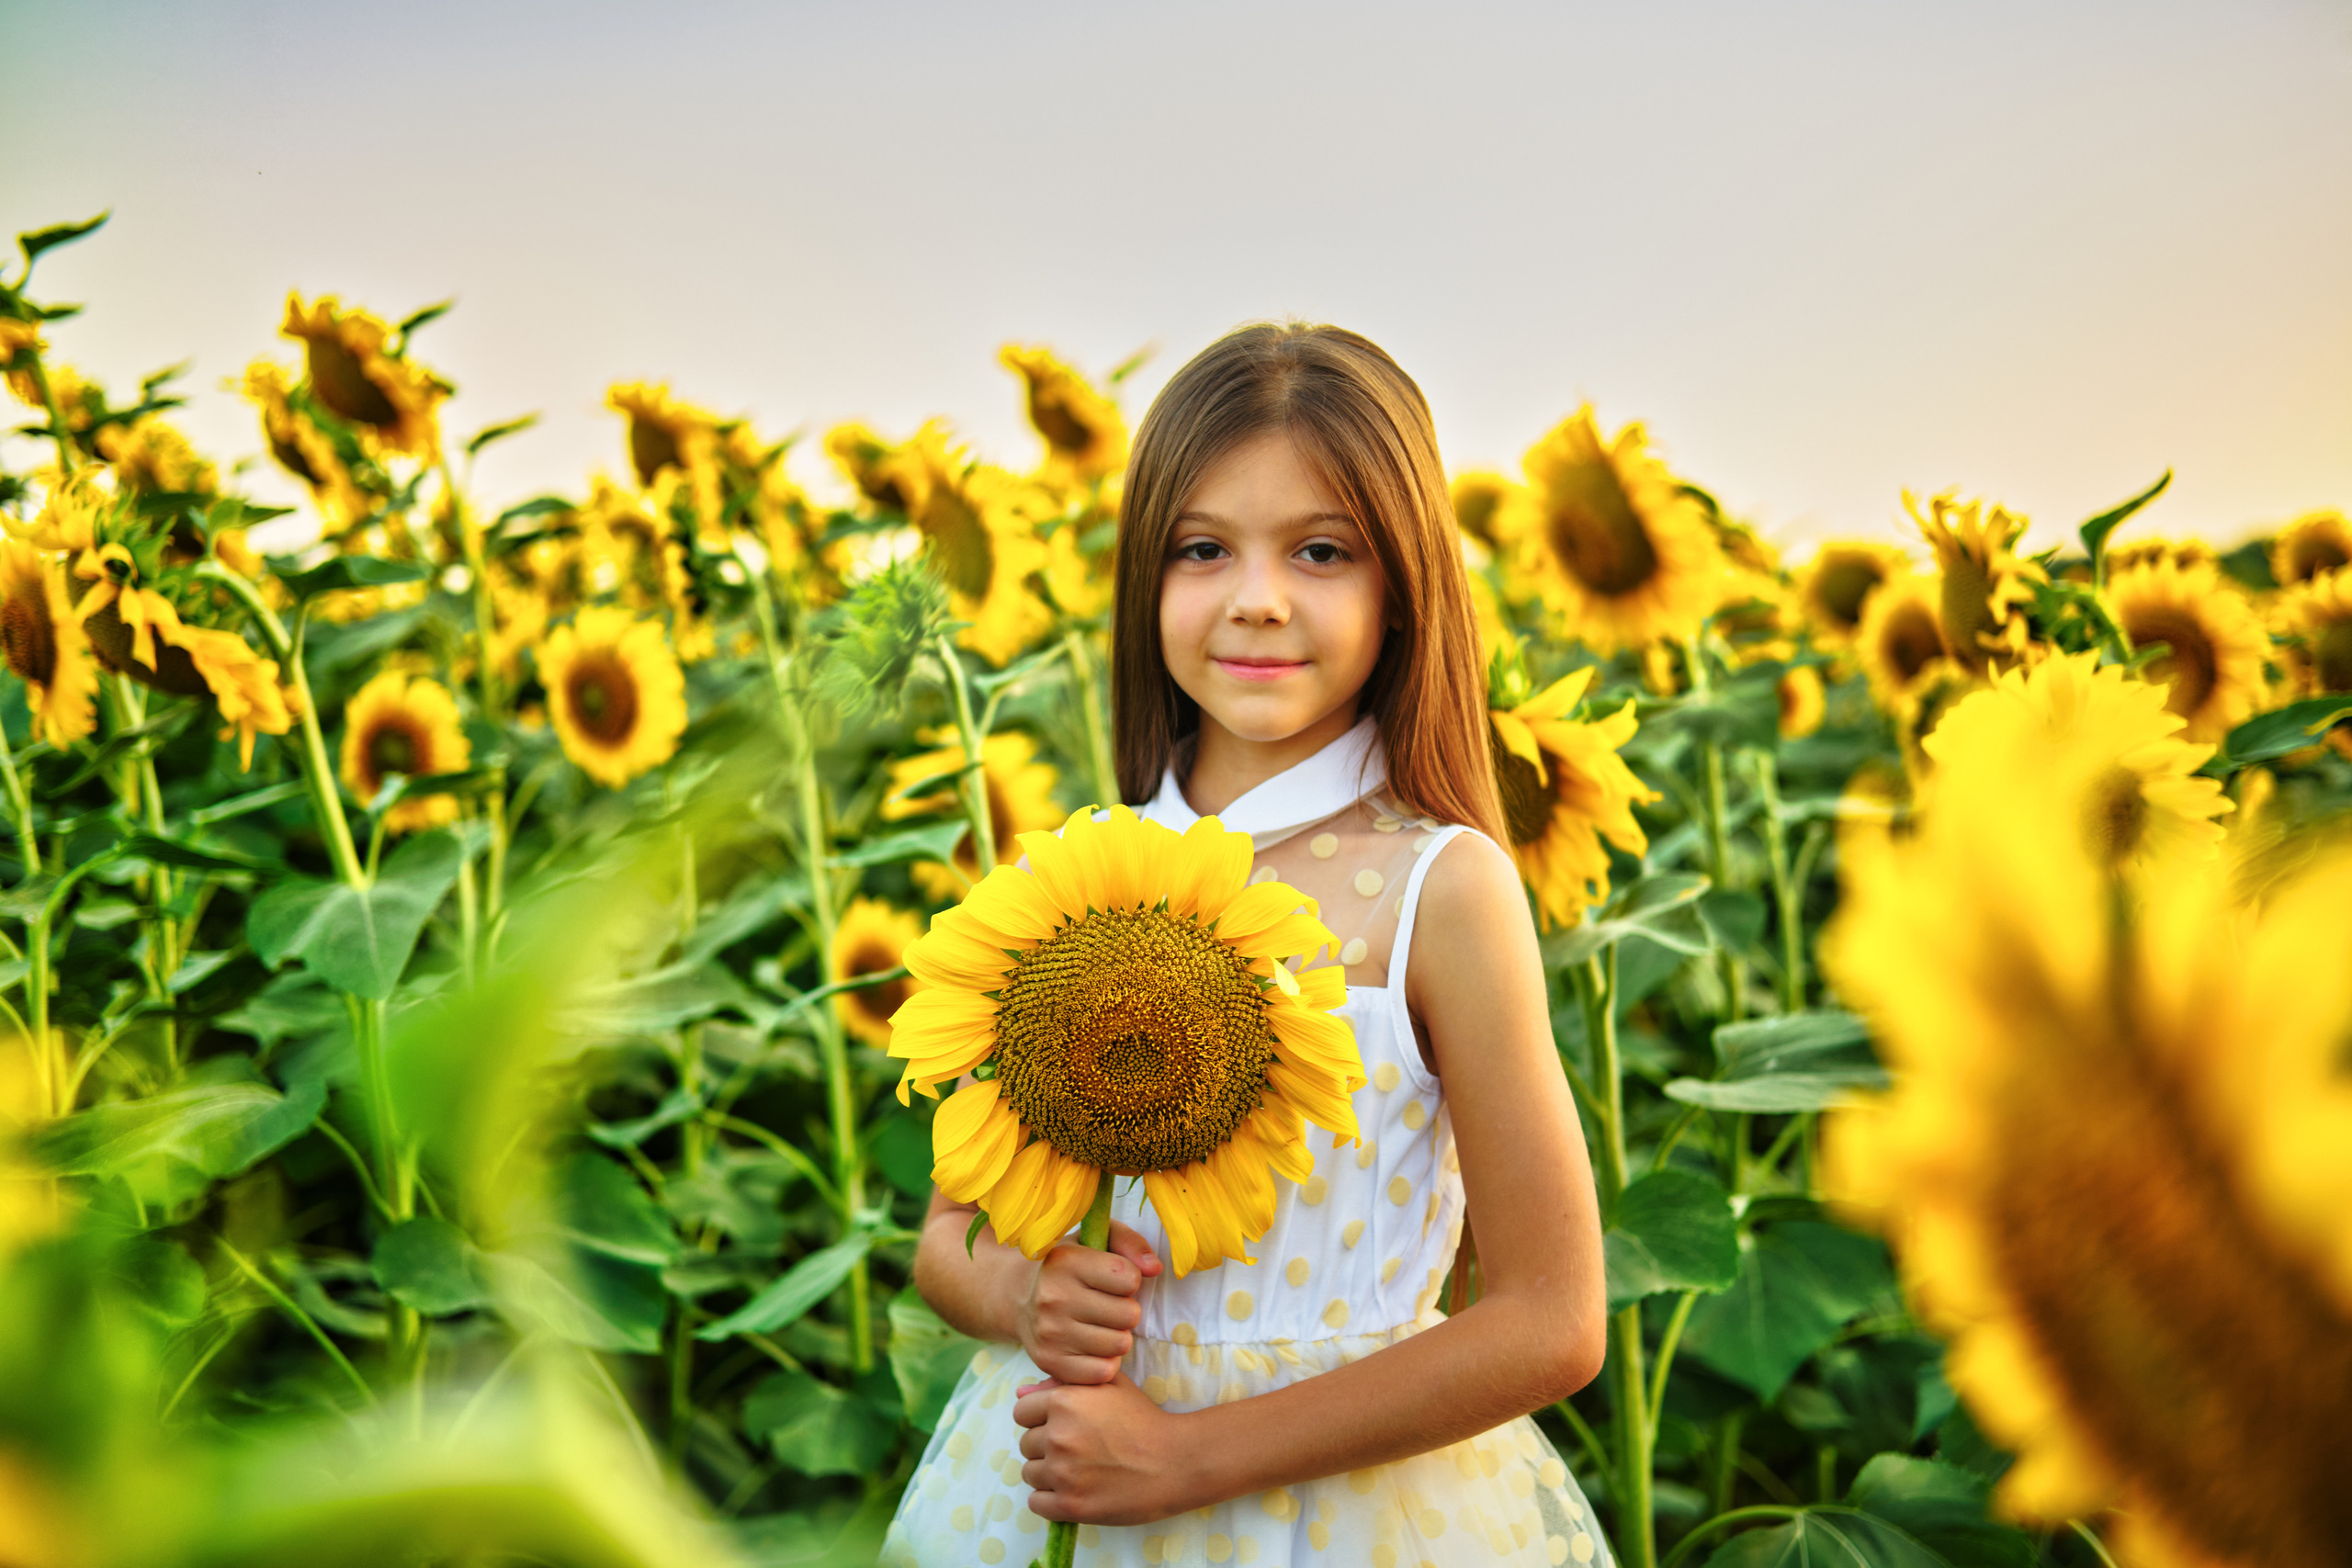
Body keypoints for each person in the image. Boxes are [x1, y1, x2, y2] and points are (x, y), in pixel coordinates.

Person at [882, 322, 1611, 1568]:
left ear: (1402, 594)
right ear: (1146, 585)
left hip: (1354, 1516)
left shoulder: (1443, 888)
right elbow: (948, 1239)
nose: (1257, 597)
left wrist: (1184, 1462)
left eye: (1321, 551)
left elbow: (1554, 1321)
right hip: (1061, 1493)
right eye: (1202, 549)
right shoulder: (1077, 877)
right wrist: (1025, 1298)